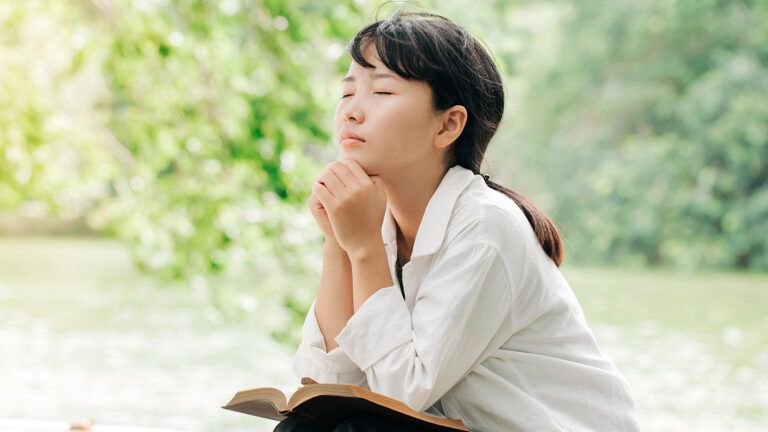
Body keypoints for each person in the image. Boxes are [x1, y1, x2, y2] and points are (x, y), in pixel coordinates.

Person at [278, 8, 641, 432]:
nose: (352, 113)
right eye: (346, 93)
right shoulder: (376, 228)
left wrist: (361, 249)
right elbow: (328, 388)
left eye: (382, 93)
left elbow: (398, 396)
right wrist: (337, 242)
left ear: (448, 125)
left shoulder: (486, 227)